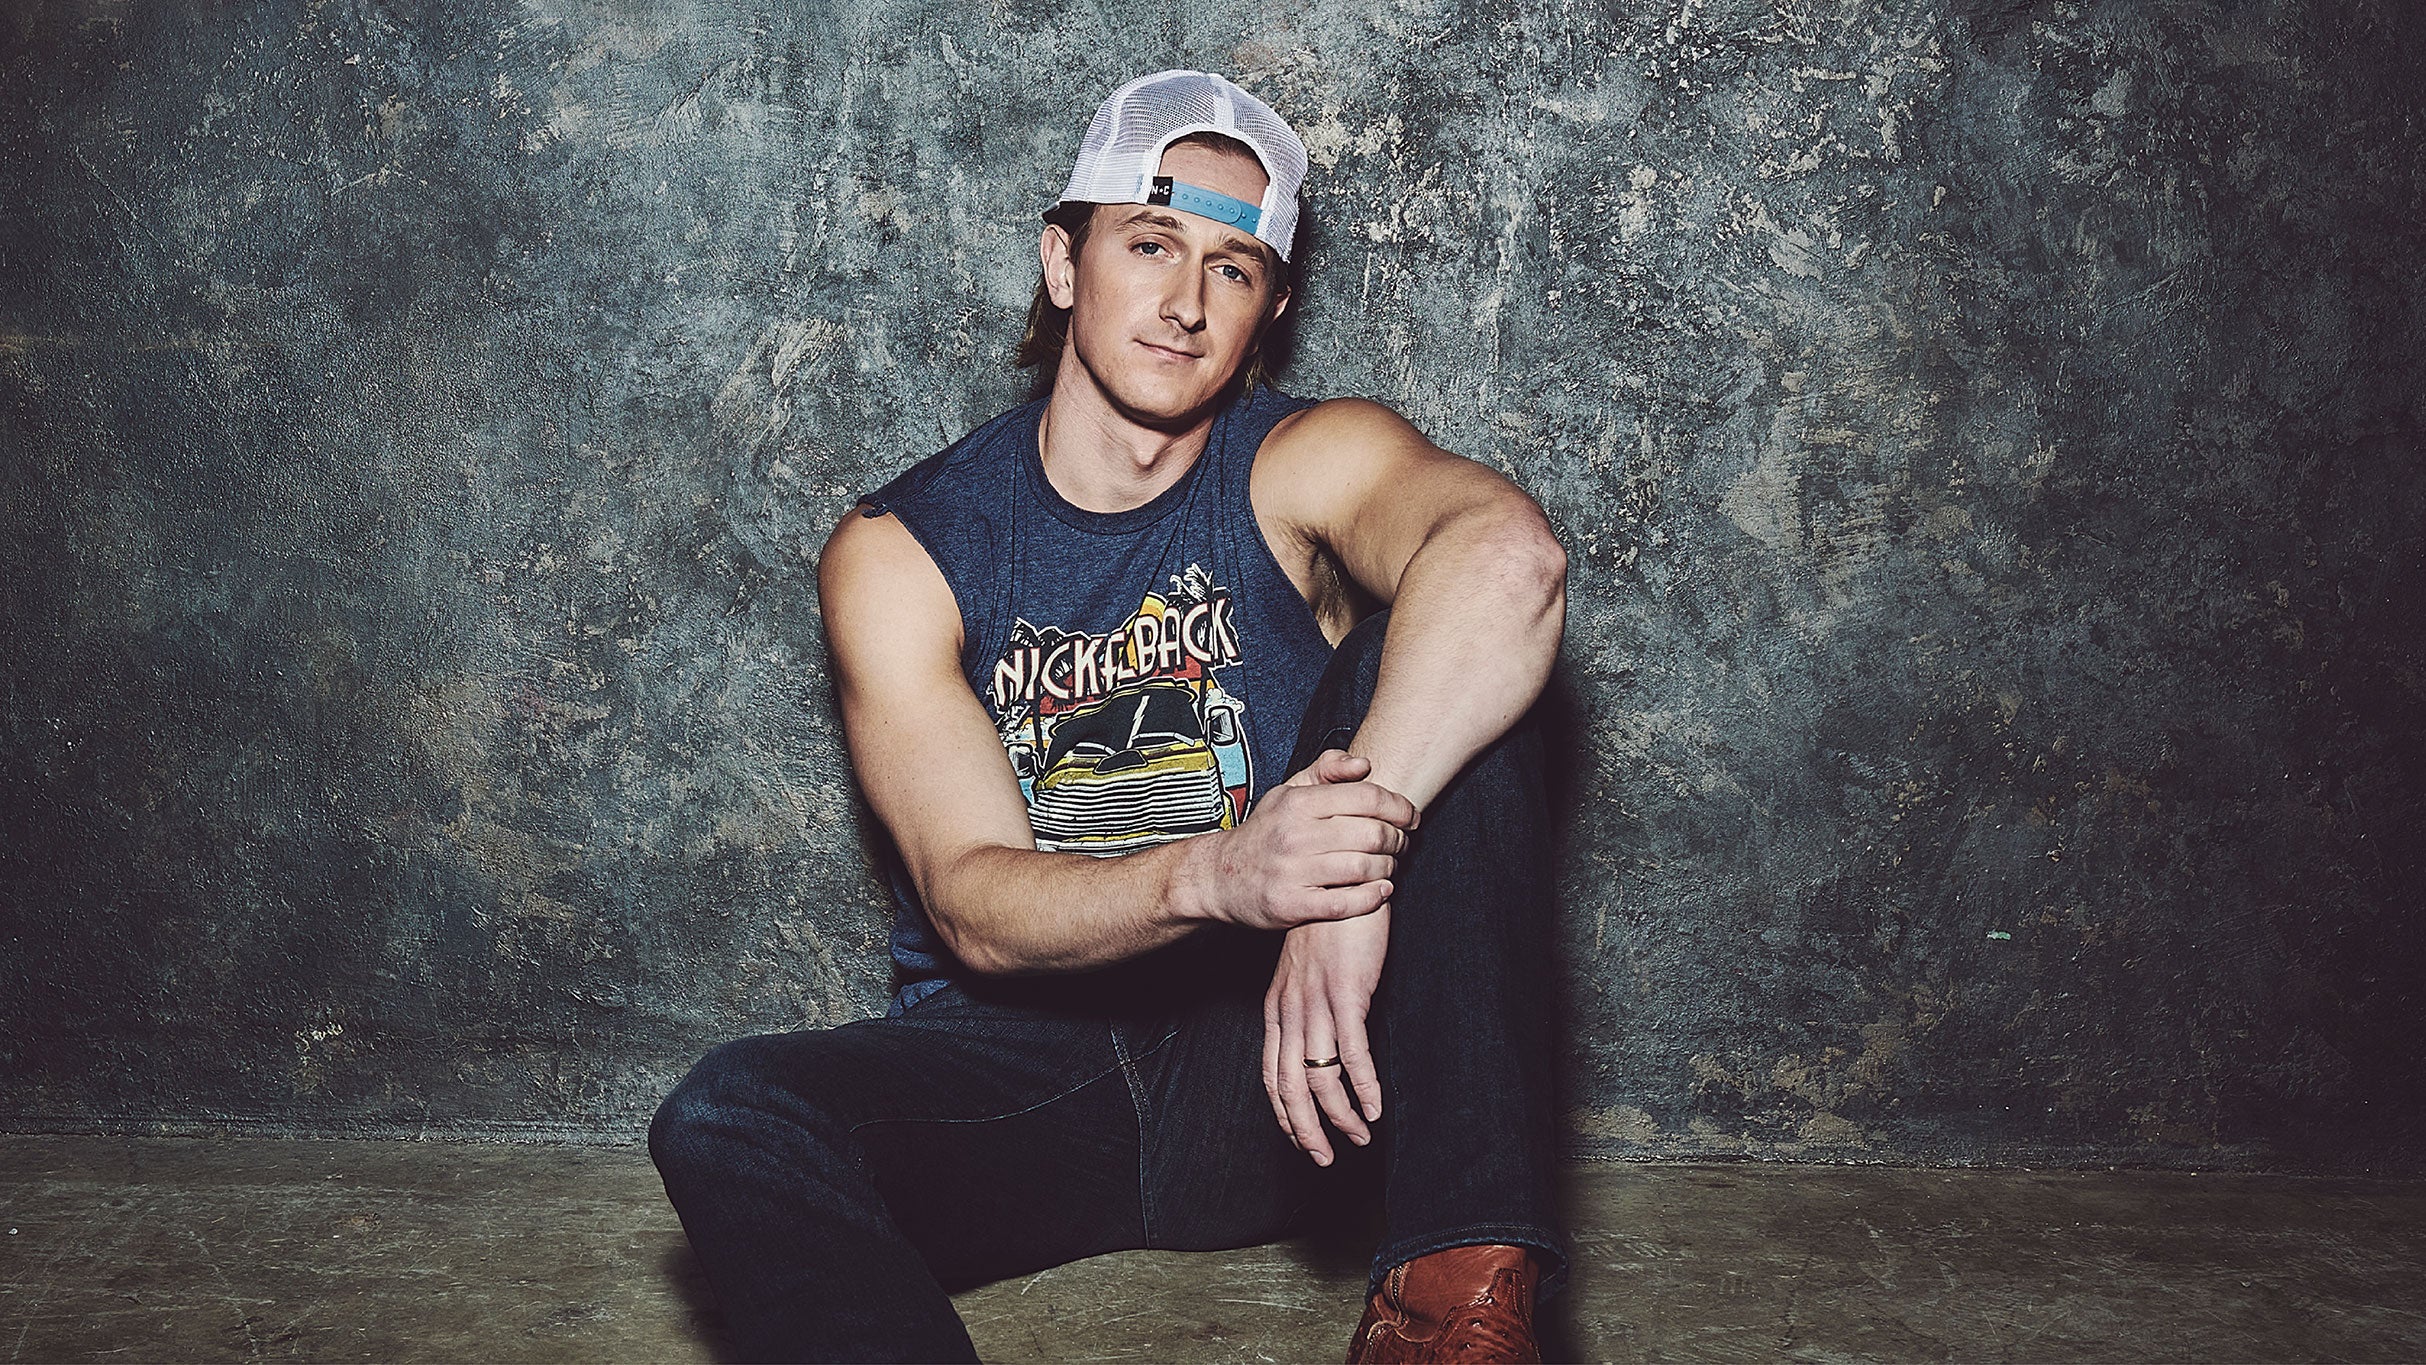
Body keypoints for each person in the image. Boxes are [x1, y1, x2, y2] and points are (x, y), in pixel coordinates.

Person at [650, 69, 1570, 1363]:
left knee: (1437, 663)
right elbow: (973, 898)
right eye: (1149, 244)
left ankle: (1452, 1305)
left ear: (1269, 310)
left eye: (1232, 268)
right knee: (729, 1113)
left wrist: (1345, 872)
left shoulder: (1300, 463)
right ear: (1062, 263)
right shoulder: (905, 550)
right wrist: (1226, 873)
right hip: (1033, 1079)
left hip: (1286, 1065)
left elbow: (1509, 559)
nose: (1186, 301)